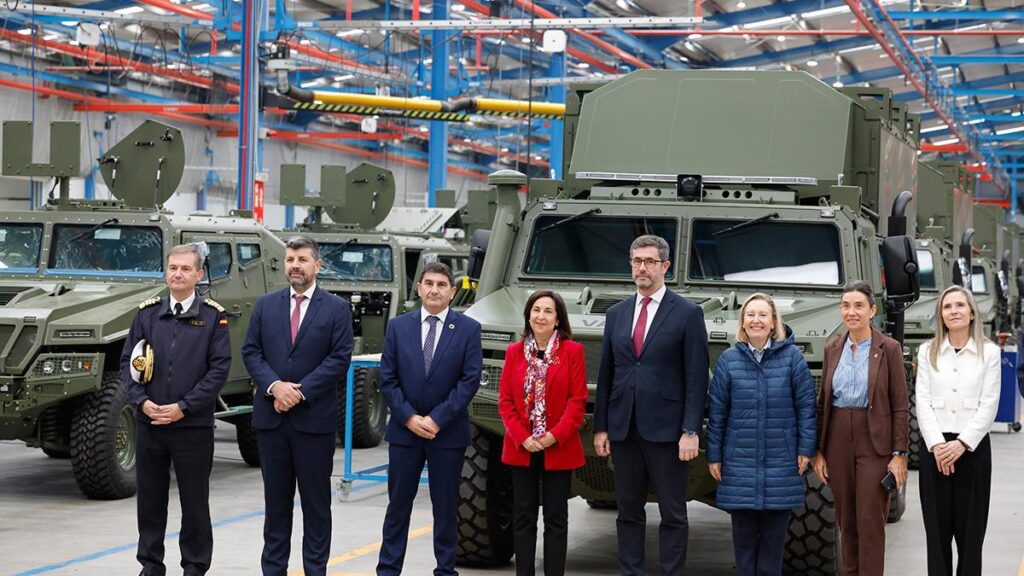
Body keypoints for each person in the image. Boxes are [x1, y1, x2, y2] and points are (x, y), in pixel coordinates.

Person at [593, 234, 710, 576]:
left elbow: (696, 377)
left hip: (668, 431)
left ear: (666, 267)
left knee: (673, 513)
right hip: (625, 429)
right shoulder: (616, 314)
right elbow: (608, 373)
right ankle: (632, 571)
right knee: (628, 511)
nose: (642, 268)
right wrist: (602, 426)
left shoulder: (687, 314)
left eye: (650, 262)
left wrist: (691, 429)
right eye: (637, 261)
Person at [242, 235, 354, 576]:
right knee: (276, 507)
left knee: (316, 506)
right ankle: (273, 570)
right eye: (290, 259)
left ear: (316, 265)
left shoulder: (336, 308)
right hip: (272, 423)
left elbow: (339, 358)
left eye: (302, 259)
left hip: (313, 423)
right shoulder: (266, 305)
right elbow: (251, 352)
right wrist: (275, 387)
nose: (295, 265)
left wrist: (299, 392)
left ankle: (314, 570)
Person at [122, 243, 231, 576]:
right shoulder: (147, 313)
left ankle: (195, 567)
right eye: (172, 268)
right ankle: (151, 565)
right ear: (166, 272)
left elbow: (219, 370)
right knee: (150, 502)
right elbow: (129, 361)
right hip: (151, 423)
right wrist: (142, 402)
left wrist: (184, 407)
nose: (178, 274)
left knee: (195, 503)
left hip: (191, 426)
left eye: (185, 268)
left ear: (199, 275)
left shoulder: (213, 316)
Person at [376, 261, 482, 576]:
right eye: (428, 283)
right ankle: (388, 569)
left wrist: (436, 419)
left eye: (441, 284)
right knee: (397, 507)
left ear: (452, 291)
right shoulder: (398, 327)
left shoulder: (468, 329)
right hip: (405, 434)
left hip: (446, 434)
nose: (434, 289)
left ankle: (445, 569)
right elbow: (388, 379)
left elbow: (469, 381)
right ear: (419, 288)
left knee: (446, 508)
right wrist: (409, 418)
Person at [706, 293, 816, 576]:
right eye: (750, 314)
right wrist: (714, 455)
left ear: (773, 322)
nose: (756, 320)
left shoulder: (793, 359)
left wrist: (806, 449)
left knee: (772, 546)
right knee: (743, 545)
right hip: (739, 464)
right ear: (742, 321)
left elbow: (806, 408)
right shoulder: (729, 360)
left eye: (763, 315)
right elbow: (717, 412)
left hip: (781, 463)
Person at [813, 280, 909, 575]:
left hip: (874, 440)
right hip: (838, 438)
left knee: (870, 520)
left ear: (872, 310)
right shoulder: (832, 349)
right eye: (846, 306)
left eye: (858, 306)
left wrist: (899, 454)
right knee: (847, 521)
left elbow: (900, 404)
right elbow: (822, 403)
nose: (851, 312)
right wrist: (818, 451)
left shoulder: (889, 348)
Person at [498, 290, 588, 576]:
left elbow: (577, 401)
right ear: (528, 315)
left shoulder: (573, 352)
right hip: (521, 447)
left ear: (558, 318)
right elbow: (505, 401)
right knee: (523, 515)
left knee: (556, 518)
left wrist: (555, 435)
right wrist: (521, 436)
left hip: (558, 447)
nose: (541, 316)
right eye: (536, 310)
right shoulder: (514, 352)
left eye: (548, 311)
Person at [916, 286, 1000, 576]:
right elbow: (922, 402)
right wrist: (939, 445)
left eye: (960, 305)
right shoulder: (927, 352)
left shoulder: (989, 353)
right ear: (940, 315)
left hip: (972, 451)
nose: (954, 311)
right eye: (947, 306)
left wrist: (962, 443)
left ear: (972, 312)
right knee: (937, 536)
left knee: (971, 534)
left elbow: (989, 404)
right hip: (935, 451)